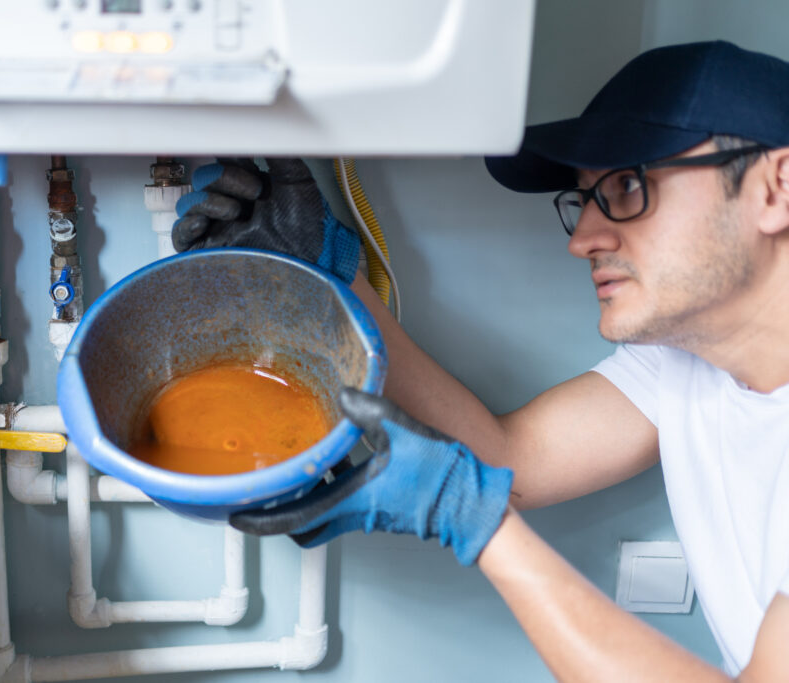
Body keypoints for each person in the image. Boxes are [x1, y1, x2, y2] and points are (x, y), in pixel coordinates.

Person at [171, 40, 788, 681]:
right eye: (584, 199)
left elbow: (488, 493)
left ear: (777, 186)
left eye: (628, 186)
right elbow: (509, 462)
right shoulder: (685, 362)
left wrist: (481, 526)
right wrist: (332, 279)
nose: (582, 240)